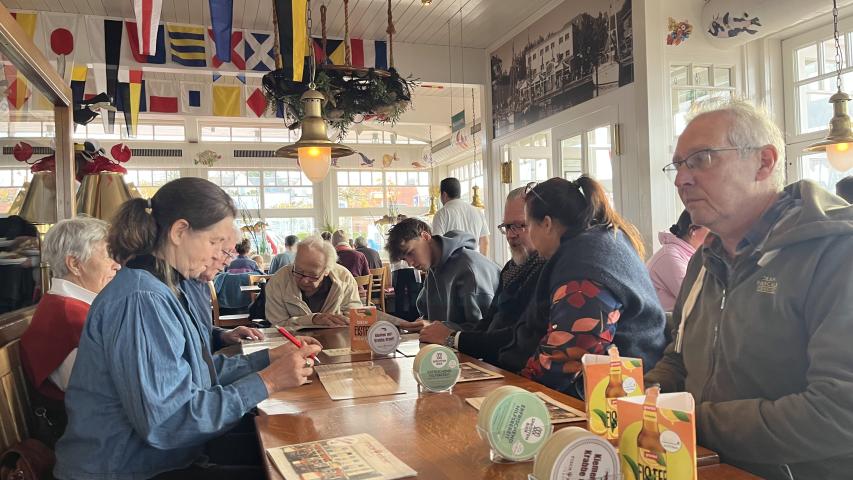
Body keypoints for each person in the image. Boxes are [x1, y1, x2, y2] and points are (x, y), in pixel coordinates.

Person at [54, 178, 321, 480]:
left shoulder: (165, 287)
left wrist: (268, 359)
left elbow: (197, 375)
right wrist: (268, 381)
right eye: (215, 243)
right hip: (126, 468)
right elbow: (169, 422)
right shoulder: (142, 299)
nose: (220, 256)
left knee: (298, 445)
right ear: (179, 231)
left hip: (164, 457)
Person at [645, 101, 853, 479]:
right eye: (678, 165)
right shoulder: (704, 260)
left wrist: (690, 421)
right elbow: (680, 358)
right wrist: (642, 397)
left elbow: (840, 411)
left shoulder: (838, 252)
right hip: (701, 463)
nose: (681, 180)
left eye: (701, 159)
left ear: (764, 163)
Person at [517, 177, 666, 397]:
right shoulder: (606, 238)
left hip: (623, 395)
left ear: (546, 224)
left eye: (528, 225)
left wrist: (517, 389)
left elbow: (572, 350)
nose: (528, 235)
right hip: (628, 379)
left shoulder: (582, 262)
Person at [19, 217, 120, 442]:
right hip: (86, 440)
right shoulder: (69, 316)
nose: (117, 265)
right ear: (75, 264)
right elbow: (102, 393)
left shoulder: (63, 304)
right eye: (109, 255)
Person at [419, 187, 546, 365]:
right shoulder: (511, 268)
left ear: (544, 224)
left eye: (520, 225)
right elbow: (487, 324)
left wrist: (451, 338)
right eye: (507, 227)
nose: (511, 235)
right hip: (496, 367)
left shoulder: (547, 270)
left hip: (519, 374)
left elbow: (515, 338)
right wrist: (446, 332)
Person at [385, 218, 500, 330]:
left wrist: (436, 328)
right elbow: (427, 316)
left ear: (425, 237)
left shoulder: (469, 269)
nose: (410, 263)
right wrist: (422, 324)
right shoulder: (433, 268)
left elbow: (484, 331)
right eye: (405, 259)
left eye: (410, 253)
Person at [265, 235, 361, 327]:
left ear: (327, 270)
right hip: (293, 338)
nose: (304, 281)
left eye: (312, 275)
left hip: (336, 337)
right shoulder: (278, 282)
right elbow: (277, 326)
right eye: (298, 271)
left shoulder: (344, 279)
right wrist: (312, 320)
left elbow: (354, 318)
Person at [195, 226, 265, 351]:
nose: (228, 262)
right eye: (225, 252)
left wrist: (224, 335)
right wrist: (266, 357)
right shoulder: (163, 294)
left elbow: (198, 330)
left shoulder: (199, 285)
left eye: (231, 254)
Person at [645, 210, 709, 311]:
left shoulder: (689, 254)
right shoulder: (670, 256)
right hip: (663, 319)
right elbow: (694, 298)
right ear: (693, 231)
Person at [431, 177, 491, 255]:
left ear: (444, 195)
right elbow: (485, 242)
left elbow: (437, 245)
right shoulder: (477, 212)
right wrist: (481, 261)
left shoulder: (441, 214)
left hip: (452, 261)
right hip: (474, 260)